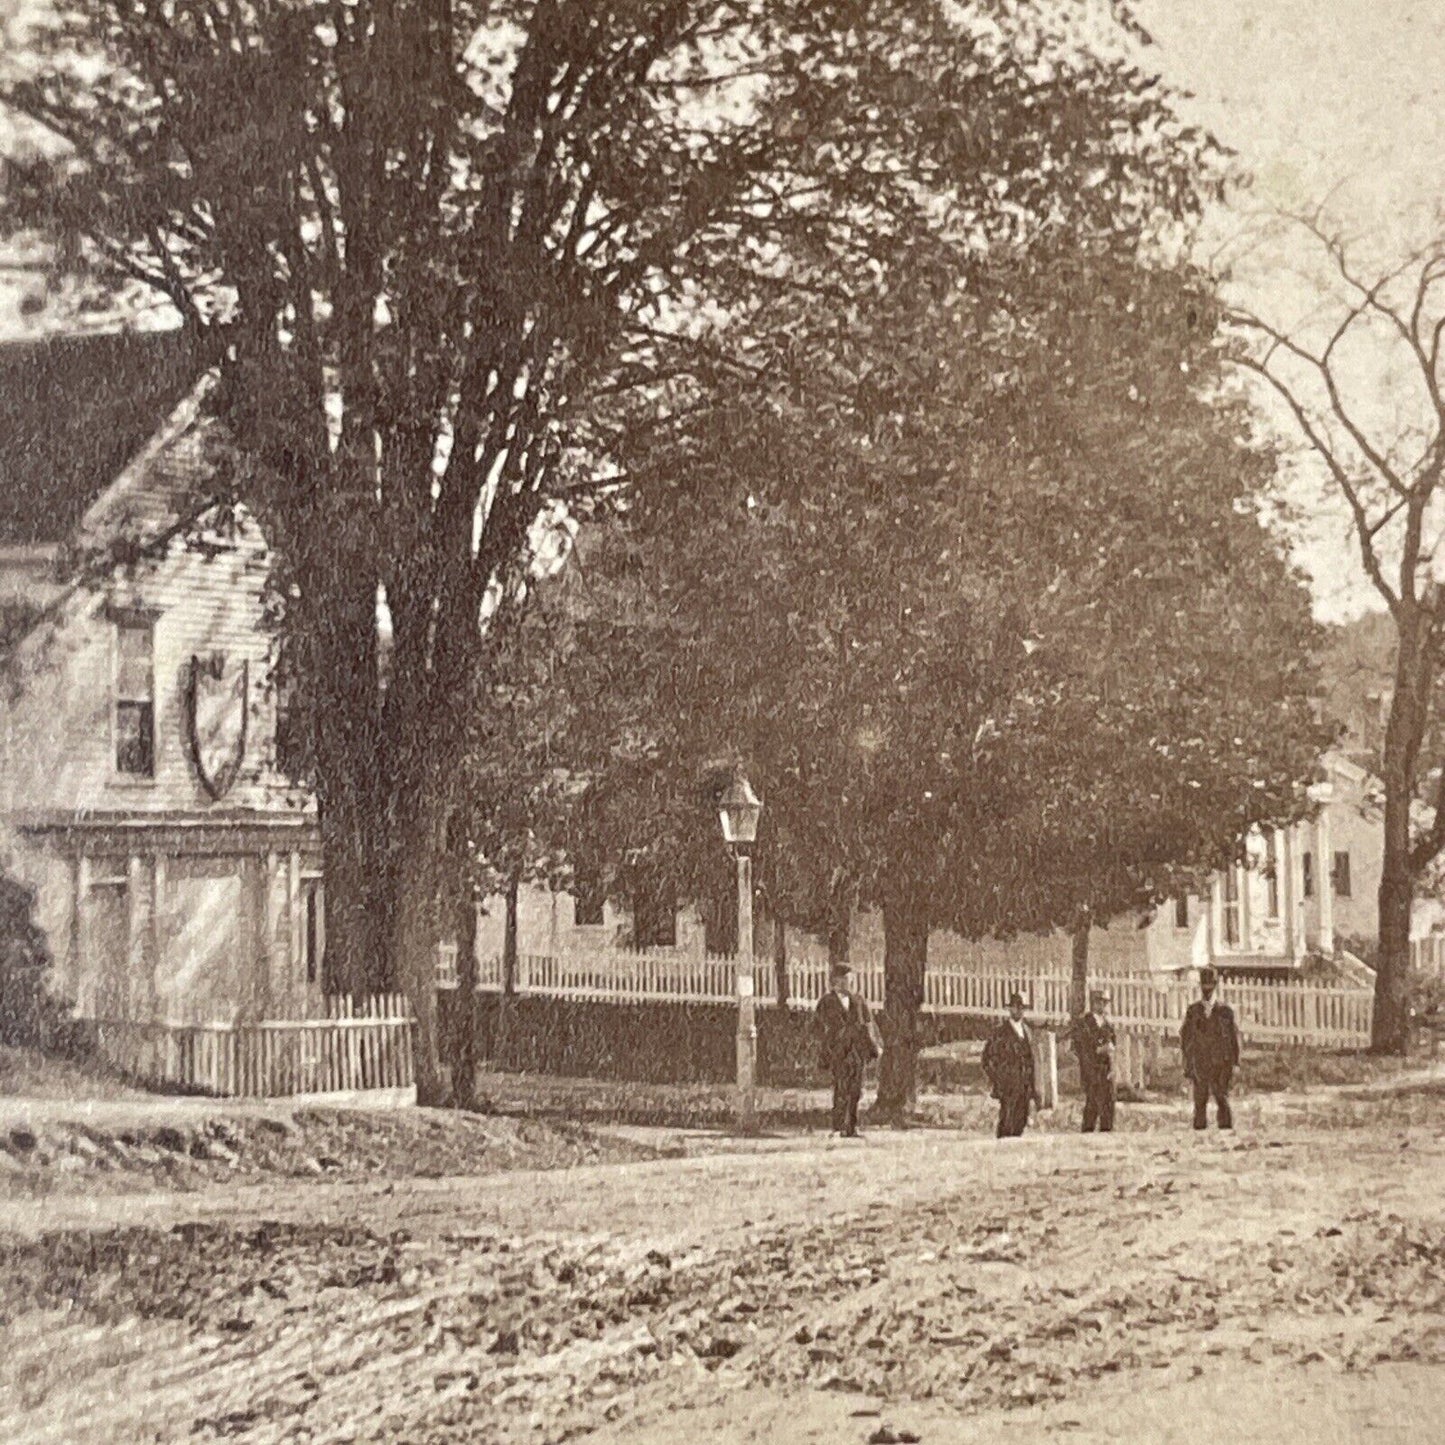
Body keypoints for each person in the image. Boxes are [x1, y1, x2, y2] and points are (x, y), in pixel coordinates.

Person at [814, 961, 879, 1137]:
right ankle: (838, 1126)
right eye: (843, 979)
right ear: (835, 981)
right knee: (841, 1088)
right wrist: (827, 1047)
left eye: (850, 979)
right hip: (838, 1052)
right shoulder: (826, 1002)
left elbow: (866, 1024)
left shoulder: (858, 1000)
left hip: (856, 1051)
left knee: (856, 1090)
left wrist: (872, 1047)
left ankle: (852, 1126)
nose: (847, 983)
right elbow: (818, 1028)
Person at [1180, 966, 1241, 1130]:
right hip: (1200, 1063)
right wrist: (1187, 1062)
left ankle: (1226, 1134)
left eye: (1210, 986)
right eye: (1204, 986)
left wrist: (1235, 1063)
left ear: (1216, 986)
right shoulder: (1193, 1011)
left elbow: (1233, 1039)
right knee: (1200, 1101)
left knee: (1221, 1098)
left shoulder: (1225, 1012)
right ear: (1200, 986)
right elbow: (1186, 1039)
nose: (1207, 990)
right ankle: (1199, 1137)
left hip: (1221, 1064)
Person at [982, 990, 1039, 1139]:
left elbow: (1033, 1059)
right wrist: (999, 1078)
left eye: (1022, 1007)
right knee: (1007, 1121)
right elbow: (987, 1059)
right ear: (1010, 1008)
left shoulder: (1028, 1031)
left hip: (1024, 1086)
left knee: (1021, 1120)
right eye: (1016, 1006)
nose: (1019, 1010)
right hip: (1008, 1086)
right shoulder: (1000, 1033)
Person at [1072, 987, 1117, 1133]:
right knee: (1092, 1103)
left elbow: (1113, 1044)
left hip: (1106, 1070)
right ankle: (1087, 1133)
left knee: (1108, 1103)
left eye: (1105, 1003)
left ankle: (1106, 1132)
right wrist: (1098, 1049)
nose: (1102, 1006)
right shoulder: (1085, 1023)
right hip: (1091, 1069)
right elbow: (1082, 1047)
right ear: (1093, 1003)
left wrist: (1111, 1061)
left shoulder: (1108, 1024)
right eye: (1099, 1002)